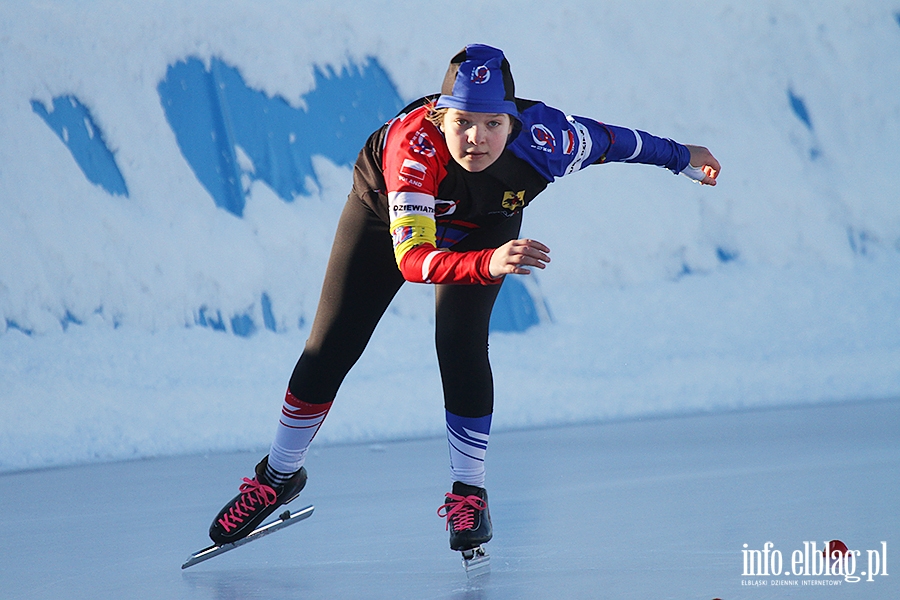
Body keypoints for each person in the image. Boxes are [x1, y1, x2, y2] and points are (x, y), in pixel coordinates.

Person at [208, 44, 720, 555]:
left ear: (513, 119)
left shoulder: (550, 139)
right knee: (332, 345)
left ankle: (469, 492)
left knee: (460, 343)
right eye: (463, 123)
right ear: (441, 115)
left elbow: (617, 141)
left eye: (493, 124)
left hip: (486, 224)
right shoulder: (414, 149)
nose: (477, 139)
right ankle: (278, 476)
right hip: (386, 215)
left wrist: (684, 158)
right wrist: (489, 264)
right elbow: (412, 263)